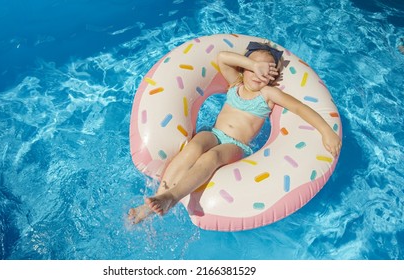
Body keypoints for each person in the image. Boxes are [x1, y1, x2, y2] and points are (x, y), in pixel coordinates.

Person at [128, 42, 342, 224]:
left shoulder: (269, 93)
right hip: (213, 133)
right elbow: (222, 58)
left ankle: (171, 198)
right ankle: (153, 203)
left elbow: (299, 108)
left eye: (267, 71)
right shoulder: (235, 83)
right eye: (255, 69)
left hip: (235, 145)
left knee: (211, 157)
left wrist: (326, 131)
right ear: (244, 68)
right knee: (194, 146)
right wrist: (253, 65)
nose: (259, 74)